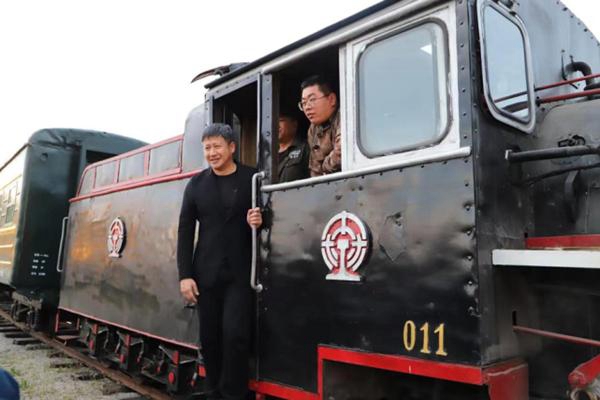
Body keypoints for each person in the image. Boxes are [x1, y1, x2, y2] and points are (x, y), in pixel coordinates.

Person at [177, 123, 262, 400]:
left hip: (241, 273)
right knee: (210, 338)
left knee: (236, 335)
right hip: (206, 273)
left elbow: (269, 215)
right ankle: (214, 392)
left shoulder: (252, 179)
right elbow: (185, 231)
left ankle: (235, 394)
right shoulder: (196, 184)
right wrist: (185, 275)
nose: (212, 153)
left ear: (232, 147)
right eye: (207, 148)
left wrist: (260, 219)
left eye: (217, 147)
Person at [298, 75, 341, 176]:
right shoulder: (313, 129)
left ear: (332, 99)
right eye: (304, 103)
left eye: (312, 100)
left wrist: (323, 167)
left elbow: (341, 153)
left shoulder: (345, 115)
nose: (307, 107)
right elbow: (314, 168)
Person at [277, 108, 309, 183]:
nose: (276, 125)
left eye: (281, 121)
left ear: (294, 124)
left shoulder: (305, 148)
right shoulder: (268, 155)